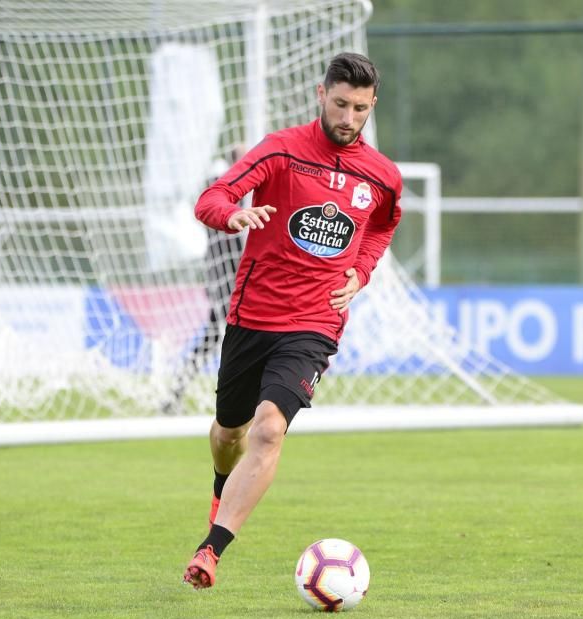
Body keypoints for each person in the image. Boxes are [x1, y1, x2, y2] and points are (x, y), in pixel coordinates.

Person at [183, 52, 403, 589]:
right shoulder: (282, 150)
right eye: (340, 104)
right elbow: (211, 197)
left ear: (372, 106)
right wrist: (233, 214)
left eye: (360, 108)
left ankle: (211, 550)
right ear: (320, 95)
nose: (348, 118)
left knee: (270, 427)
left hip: (314, 324)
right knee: (227, 431)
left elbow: (380, 227)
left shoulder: (382, 176)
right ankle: (220, 482)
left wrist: (362, 271)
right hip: (253, 315)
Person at [162, 144, 248, 415]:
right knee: (233, 337)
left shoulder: (228, 194)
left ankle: (176, 393)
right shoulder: (221, 194)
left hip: (228, 275)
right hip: (225, 276)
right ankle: (234, 396)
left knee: (213, 337)